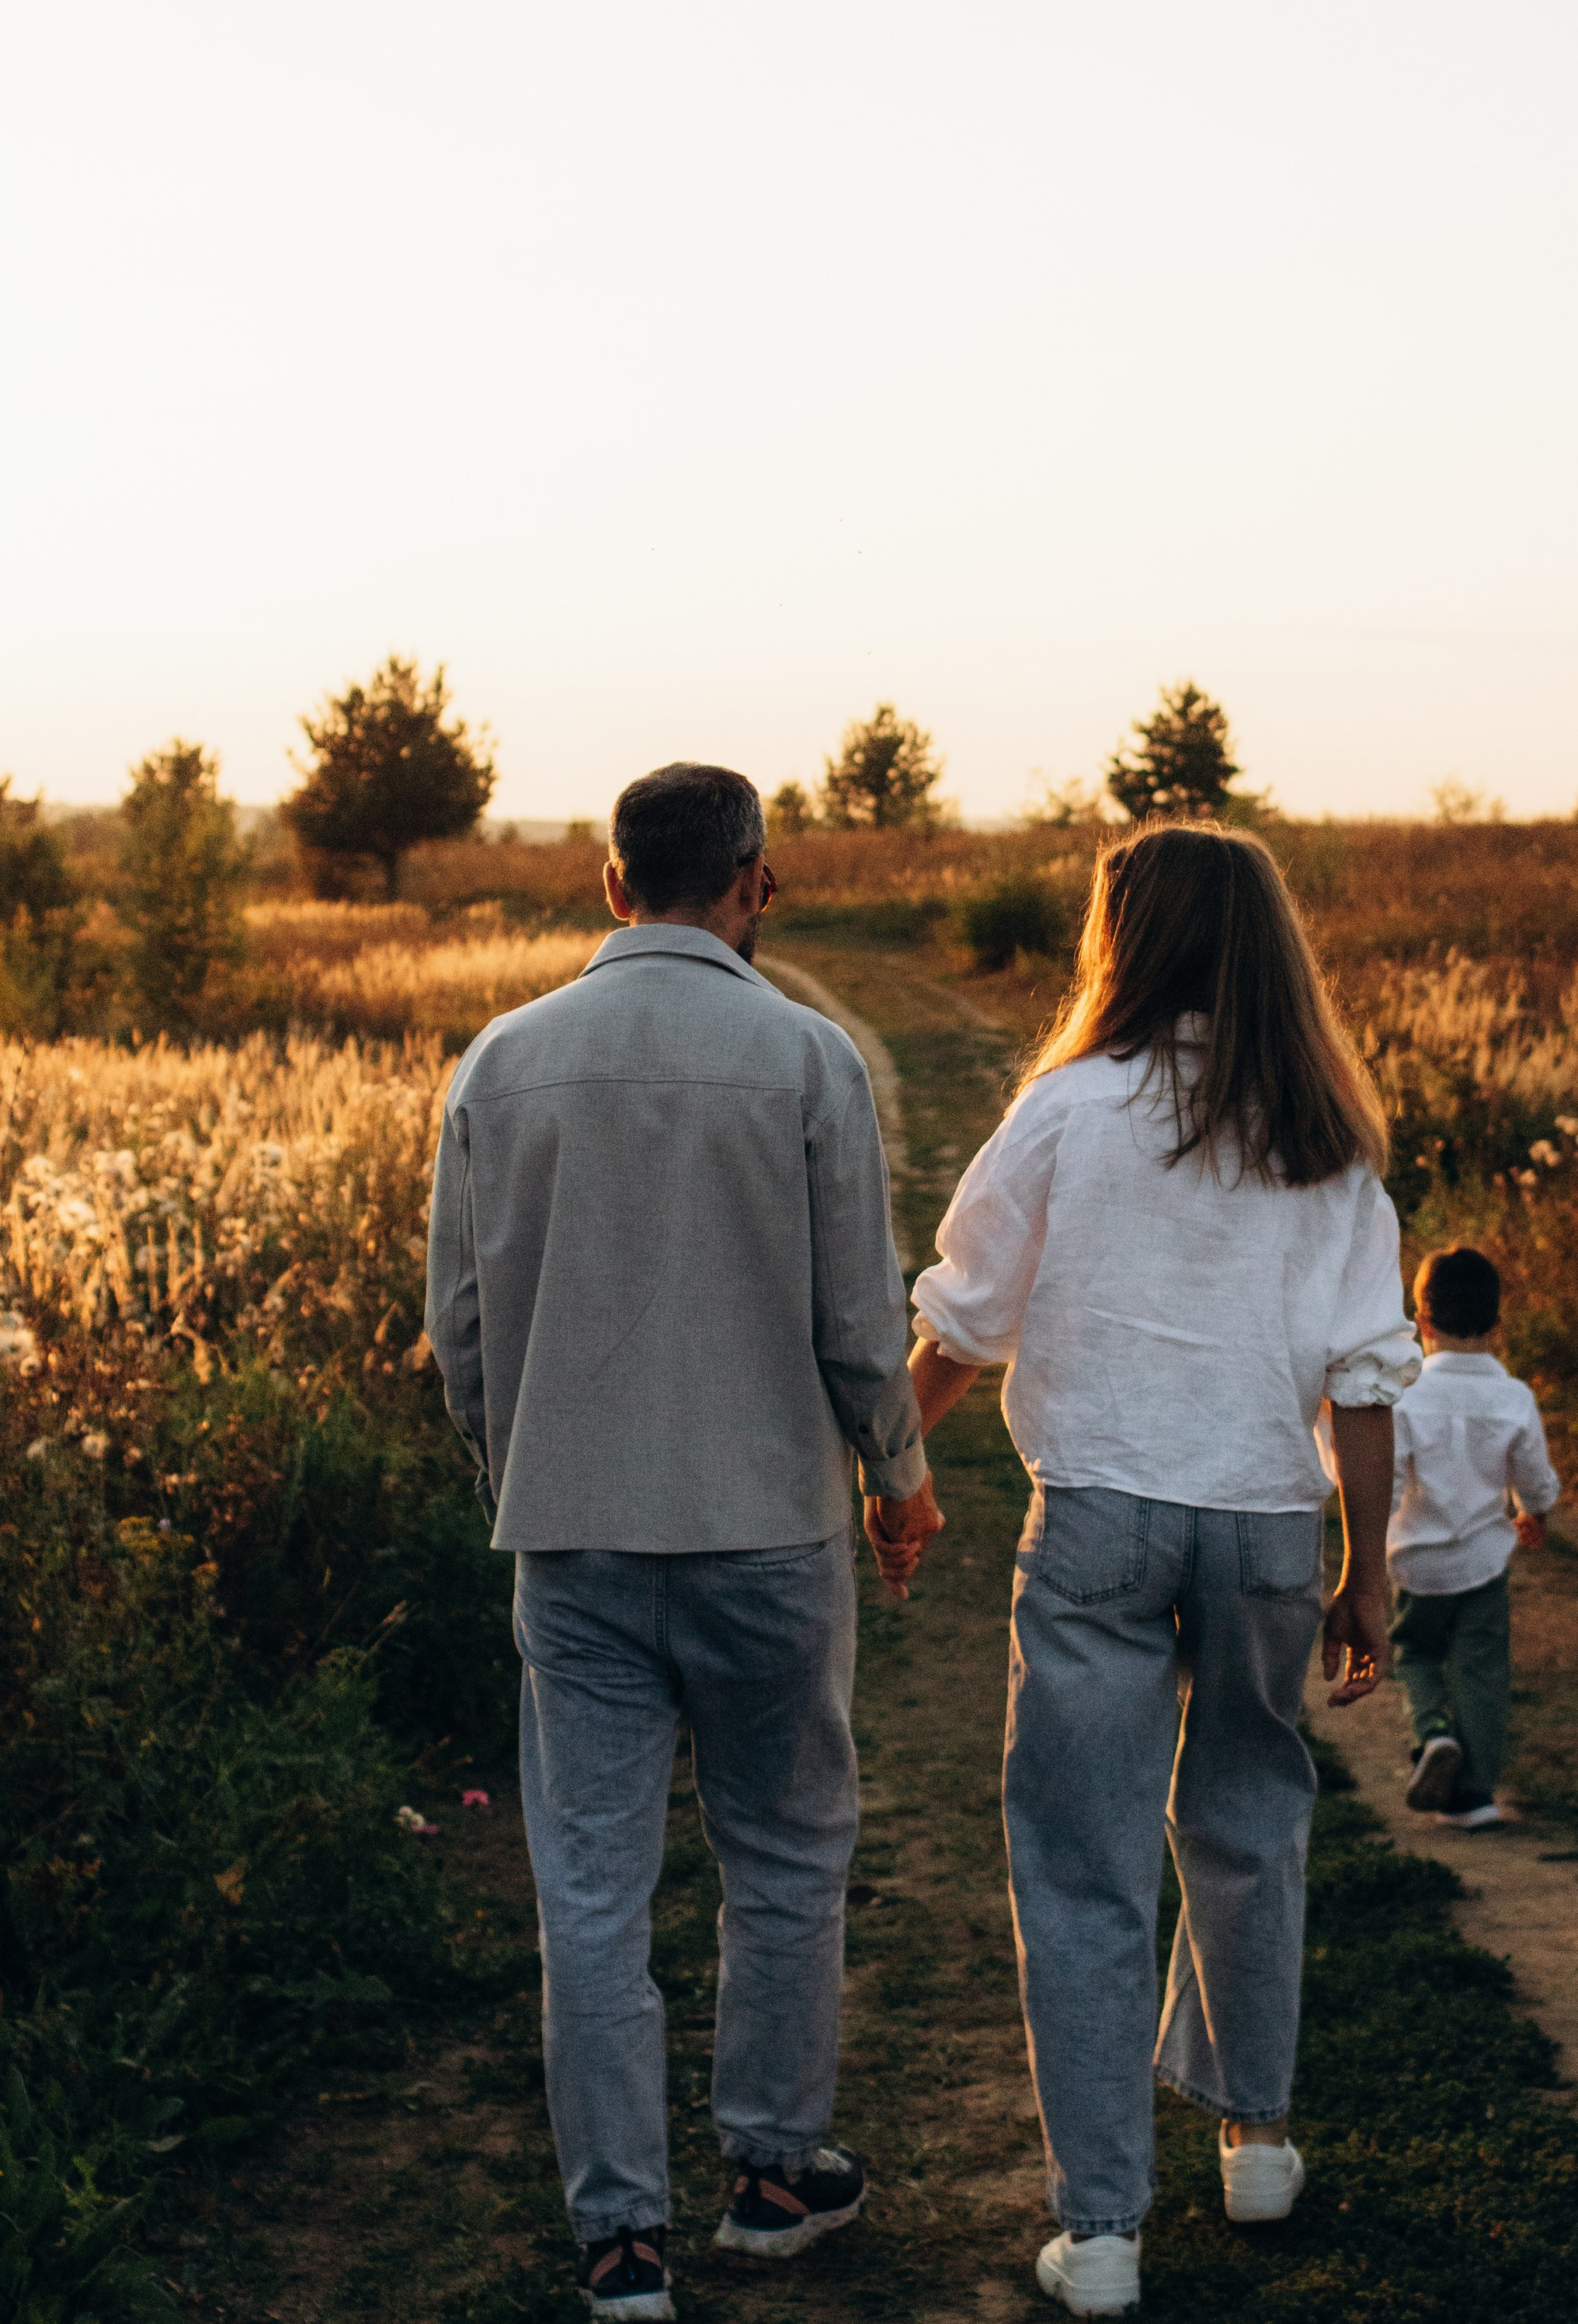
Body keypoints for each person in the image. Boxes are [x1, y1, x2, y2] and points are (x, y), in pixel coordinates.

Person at [425, 762, 944, 2322]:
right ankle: (774, 2176)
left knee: (589, 1889)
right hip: (765, 1529)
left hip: (572, 1535)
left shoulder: (502, 1061)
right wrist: (897, 1472)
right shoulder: (806, 1058)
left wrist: (518, 1470)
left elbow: (461, 1329)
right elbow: (858, 1319)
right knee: (782, 1852)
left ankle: (621, 2244)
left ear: (610, 883)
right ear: (754, 883)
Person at [906, 823, 1420, 2319]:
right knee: (1251, 1829)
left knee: (1084, 1866)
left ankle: (1103, 2234)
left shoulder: (1069, 1109)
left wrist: (887, 1464)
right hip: (1264, 1526)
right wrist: (1366, 1570)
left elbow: (964, 1320)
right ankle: (1257, 2142)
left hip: (1100, 1522)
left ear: (1122, 941)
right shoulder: (1325, 1137)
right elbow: (1367, 1381)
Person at [1387, 1244, 1560, 1832]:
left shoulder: (1407, 1395)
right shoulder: (1513, 1397)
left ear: (1423, 1323)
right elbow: (1535, 1478)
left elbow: (1389, 1479)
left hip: (1417, 1562)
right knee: (1481, 1670)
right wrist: (1534, 1512)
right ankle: (1475, 1796)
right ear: (1497, 1327)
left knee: (1416, 1653)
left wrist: (1371, 1531)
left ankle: (1433, 1731)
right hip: (1484, 1561)